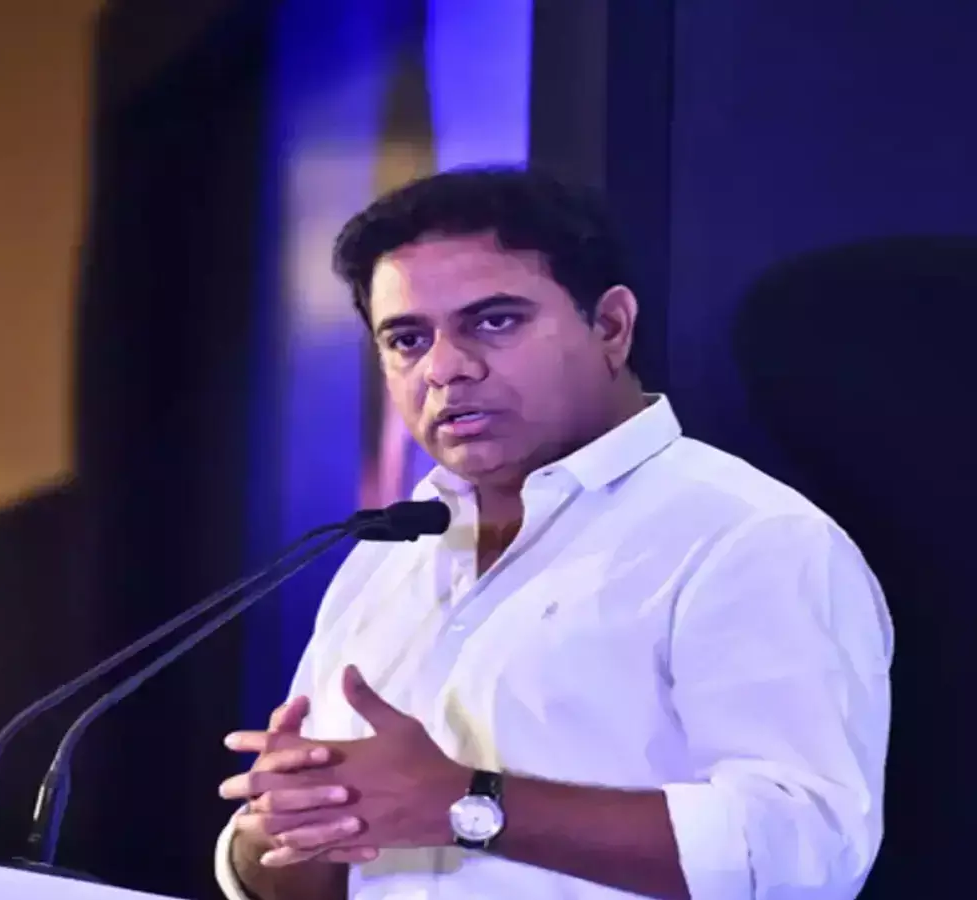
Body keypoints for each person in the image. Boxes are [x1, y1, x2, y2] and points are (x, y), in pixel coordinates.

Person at [212, 167, 892, 900]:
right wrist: (278, 832)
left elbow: (807, 856)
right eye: (407, 339)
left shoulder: (748, 538)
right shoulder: (388, 554)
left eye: (494, 322)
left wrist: (468, 803)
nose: (445, 368)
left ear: (611, 327)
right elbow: (314, 871)